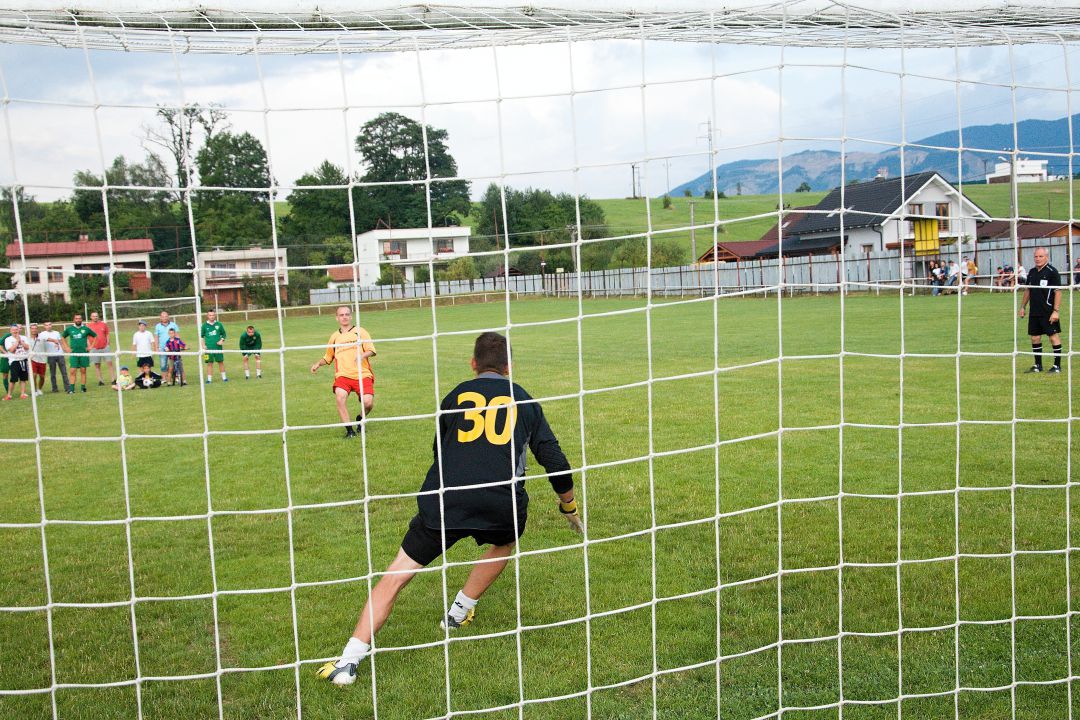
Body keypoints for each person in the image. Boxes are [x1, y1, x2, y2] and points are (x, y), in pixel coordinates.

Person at [316, 332, 583, 686]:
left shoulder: (455, 396)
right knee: (504, 541)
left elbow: (439, 451)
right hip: (500, 503)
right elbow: (555, 461)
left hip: (446, 499)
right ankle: (459, 612)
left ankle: (348, 662)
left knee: (396, 575)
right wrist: (568, 506)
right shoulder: (524, 399)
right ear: (509, 367)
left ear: (473, 364)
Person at [310, 306, 376, 439]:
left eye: (347, 314)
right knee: (340, 397)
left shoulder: (360, 332)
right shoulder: (334, 337)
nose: (344, 317)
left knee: (368, 403)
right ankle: (350, 431)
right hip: (343, 375)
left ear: (351, 316)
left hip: (362, 374)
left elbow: (372, 350)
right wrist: (318, 364)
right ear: (337, 318)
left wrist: (362, 356)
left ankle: (360, 418)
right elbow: (328, 357)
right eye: (341, 315)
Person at [1020, 247, 1064, 374]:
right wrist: (1023, 307)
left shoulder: (1052, 272)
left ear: (1046, 257)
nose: (1038, 259)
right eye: (1036, 256)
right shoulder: (1032, 272)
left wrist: (1056, 311)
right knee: (1035, 338)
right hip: (1034, 311)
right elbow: (1028, 290)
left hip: (1048, 311)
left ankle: (1057, 366)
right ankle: (1038, 365)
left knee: (1053, 337)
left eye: (1041, 256)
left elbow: (1058, 292)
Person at [62, 313, 96, 393]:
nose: (78, 320)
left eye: (79, 318)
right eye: (76, 318)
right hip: (74, 353)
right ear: (74, 320)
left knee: (83, 370)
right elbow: (62, 337)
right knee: (72, 371)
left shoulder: (86, 329)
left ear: (81, 320)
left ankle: (83, 388)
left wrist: (91, 346)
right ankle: (71, 389)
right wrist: (66, 347)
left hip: (83, 353)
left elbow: (95, 336)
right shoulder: (70, 329)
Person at [39, 321, 69, 393]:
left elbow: (61, 341)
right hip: (51, 355)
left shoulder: (56, 333)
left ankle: (67, 387)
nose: (48, 326)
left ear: (51, 325)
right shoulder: (42, 334)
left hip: (60, 354)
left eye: (49, 324)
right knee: (53, 374)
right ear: (44, 326)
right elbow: (46, 339)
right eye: (46, 325)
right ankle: (54, 388)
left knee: (64, 372)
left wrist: (65, 349)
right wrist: (54, 340)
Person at [3, 324, 31, 400]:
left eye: (16, 329)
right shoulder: (8, 339)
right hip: (14, 361)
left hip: (24, 360)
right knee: (13, 379)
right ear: (10, 331)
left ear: (19, 330)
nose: (15, 331)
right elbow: (11, 350)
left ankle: (23, 394)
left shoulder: (24, 338)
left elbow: (28, 347)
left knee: (23, 378)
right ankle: (9, 395)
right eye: (13, 330)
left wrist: (21, 341)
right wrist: (17, 341)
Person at [200, 310, 227, 383]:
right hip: (208, 348)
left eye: (213, 315)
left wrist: (222, 340)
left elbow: (224, 334)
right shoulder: (204, 325)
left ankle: (224, 378)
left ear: (215, 316)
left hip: (218, 348)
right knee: (209, 363)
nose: (211, 317)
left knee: (220, 362)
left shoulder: (219, 324)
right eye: (210, 315)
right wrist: (203, 345)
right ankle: (209, 379)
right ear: (207, 316)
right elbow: (202, 337)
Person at [86, 311, 113, 386]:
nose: (95, 317)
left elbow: (107, 334)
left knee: (109, 363)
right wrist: (90, 346)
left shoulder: (103, 324)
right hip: (95, 348)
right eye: (94, 316)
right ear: (91, 317)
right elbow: (86, 337)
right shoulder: (88, 326)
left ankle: (113, 380)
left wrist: (108, 342)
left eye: (96, 316)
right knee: (97, 365)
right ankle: (101, 381)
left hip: (105, 347)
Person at [154, 311, 179, 379]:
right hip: (162, 348)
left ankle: (175, 377)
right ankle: (164, 378)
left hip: (172, 347)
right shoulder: (157, 326)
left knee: (174, 363)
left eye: (166, 316)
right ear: (160, 318)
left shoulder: (173, 325)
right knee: (163, 364)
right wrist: (156, 348)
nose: (164, 318)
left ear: (168, 317)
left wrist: (178, 345)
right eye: (163, 317)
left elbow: (177, 336)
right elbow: (156, 337)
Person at [28, 323, 46, 396]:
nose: (34, 330)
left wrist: (55, 341)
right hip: (33, 359)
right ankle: (34, 390)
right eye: (32, 328)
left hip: (42, 360)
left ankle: (39, 389)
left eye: (35, 328)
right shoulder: (27, 338)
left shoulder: (41, 337)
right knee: (34, 375)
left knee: (42, 377)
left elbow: (49, 339)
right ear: (30, 329)